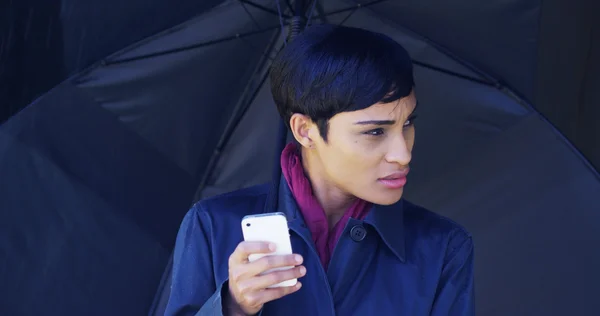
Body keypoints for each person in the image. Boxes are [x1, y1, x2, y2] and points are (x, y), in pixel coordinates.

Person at [164, 24, 475, 316]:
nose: (403, 154)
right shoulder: (213, 226)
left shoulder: (443, 247)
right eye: (375, 132)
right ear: (305, 130)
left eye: (407, 123)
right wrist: (232, 306)